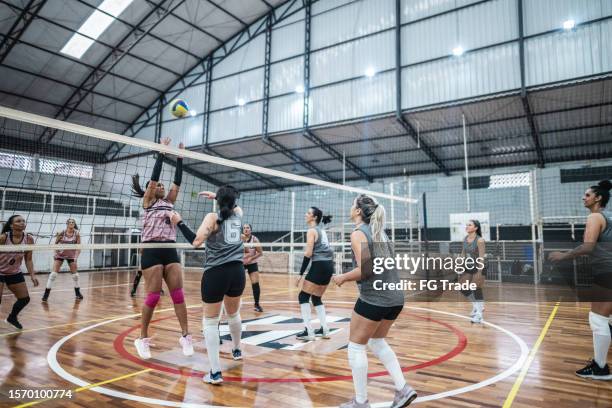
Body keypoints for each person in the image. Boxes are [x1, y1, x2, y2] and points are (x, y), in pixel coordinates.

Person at [332, 194, 416, 408]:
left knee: (355, 347)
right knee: (376, 342)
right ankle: (403, 389)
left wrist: (342, 277)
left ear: (359, 211)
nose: (350, 208)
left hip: (375, 298)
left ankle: (361, 402)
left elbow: (365, 270)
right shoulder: (381, 232)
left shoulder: (359, 233)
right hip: (395, 297)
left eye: (352, 206)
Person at [171, 186, 244, 385]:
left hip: (216, 273)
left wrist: (179, 223)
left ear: (218, 202)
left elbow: (195, 241)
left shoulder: (212, 217)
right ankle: (237, 350)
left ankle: (215, 372)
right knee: (233, 314)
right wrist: (220, 197)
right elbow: (233, 207)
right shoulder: (238, 215)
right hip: (237, 272)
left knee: (211, 322)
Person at [131, 138, 193, 360]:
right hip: (151, 249)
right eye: (157, 185)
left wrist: (179, 157)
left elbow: (177, 182)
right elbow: (154, 179)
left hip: (170, 248)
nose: (161, 186)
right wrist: (161, 152)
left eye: (161, 185)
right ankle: (142, 337)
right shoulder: (148, 202)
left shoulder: (169, 202)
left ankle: (185, 336)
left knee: (178, 294)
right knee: (153, 296)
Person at [549, 180, 612, 380]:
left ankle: (600, 368)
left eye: (587, 195)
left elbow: (587, 247)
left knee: (598, 319)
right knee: (608, 318)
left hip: (607, 272)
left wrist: (562, 255)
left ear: (598, 198)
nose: (583, 198)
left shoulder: (595, 216)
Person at [295, 207, 334, 341]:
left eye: (308, 213)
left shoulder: (311, 231)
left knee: (303, 296)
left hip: (320, 265)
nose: (306, 214)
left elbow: (308, 253)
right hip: (329, 265)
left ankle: (309, 331)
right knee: (316, 298)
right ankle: (324, 329)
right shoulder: (322, 231)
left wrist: (300, 274)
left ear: (314, 217)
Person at [0, 215, 39, 330]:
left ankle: (12, 318)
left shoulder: (29, 239)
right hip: (0, 272)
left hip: (14, 272)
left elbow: (28, 259)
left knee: (24, 299)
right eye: (18, 221)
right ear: (11, 225)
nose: (22, 223)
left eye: (23, 221)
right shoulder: (3, 238)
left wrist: (32, 275)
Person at [43, 218, 82, 301]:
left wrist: (76, 257)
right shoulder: (62, 232)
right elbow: (55, 244)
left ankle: (78, 293)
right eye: (70, 222)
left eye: (73, 222)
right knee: (53, 274)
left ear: (74, 224)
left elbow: (79, 247)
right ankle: (46, 295)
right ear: (67, 224)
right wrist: (55, 253)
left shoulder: (77, 234)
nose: (71, 223)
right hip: (60, 255)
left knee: (75, 275)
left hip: (71, 255)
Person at [459, 220, 486, 323]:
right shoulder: (465, 239)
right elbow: (463, 253)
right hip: (468, 266)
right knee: (462, 287)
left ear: (475, 228)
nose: (467, 226)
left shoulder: (480, 240)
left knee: (476, 289)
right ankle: (476, 305)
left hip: (480, 266)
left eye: (469, 225)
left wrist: (479, 271)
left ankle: (479, 316)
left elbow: (481, 257)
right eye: (466, 225)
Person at [242, 223, 263, 312]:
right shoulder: (239, 238)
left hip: (252, 263)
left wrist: (251, 258)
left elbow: (260, 253)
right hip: (241, 264)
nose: (246, 229)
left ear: (250, 230)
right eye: (244, 228)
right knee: (237, 284)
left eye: (248, 228)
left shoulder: (254, 239)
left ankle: (257, 304)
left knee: (255, 284)